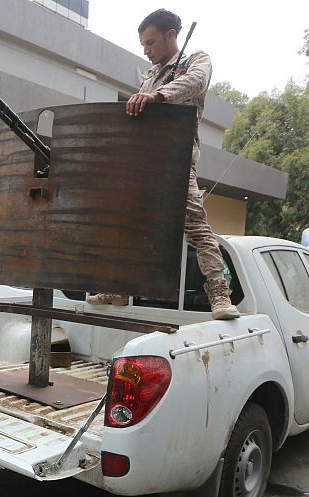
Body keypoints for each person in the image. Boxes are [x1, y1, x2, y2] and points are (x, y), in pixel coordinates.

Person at [87, 8, 239, 320]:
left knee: (195, 225)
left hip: (178, 160)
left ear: (171, 36)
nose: (146, 50)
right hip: (145, 163)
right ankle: (120, 287)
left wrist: (158, 95)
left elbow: (196, 82)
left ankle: (219, 294)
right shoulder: (150, 76)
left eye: (151, 42)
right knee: (129, 223)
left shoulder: (195, 60)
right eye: (143, 44)